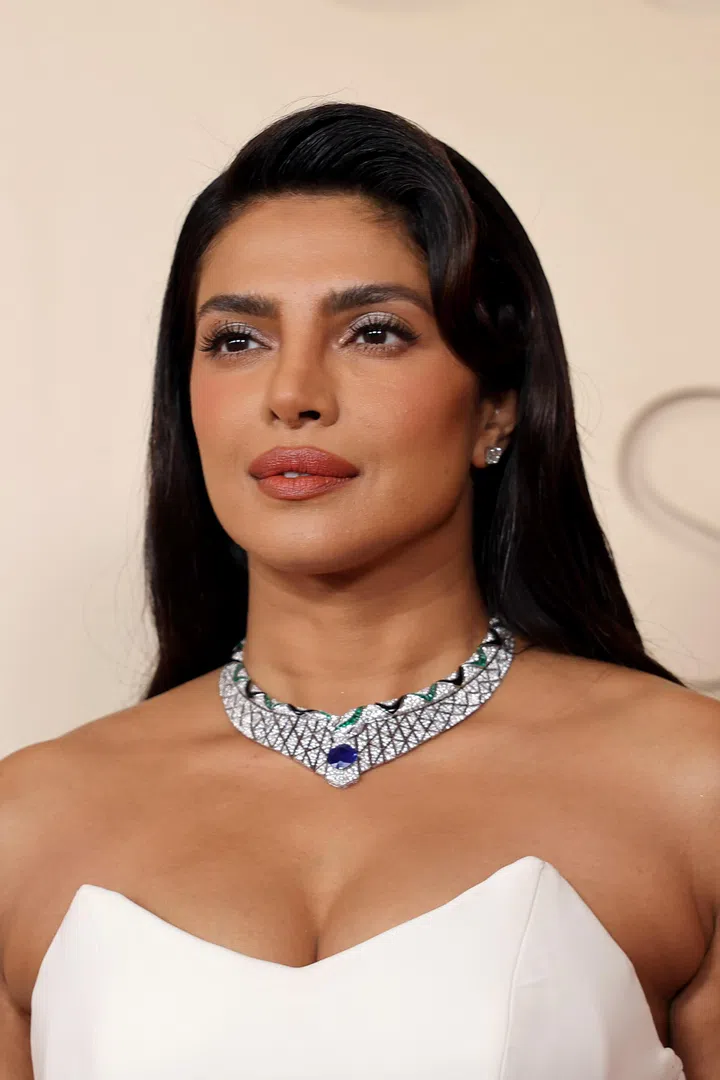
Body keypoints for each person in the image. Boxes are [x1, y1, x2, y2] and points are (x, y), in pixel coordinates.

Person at [0, 102, 718, 1079]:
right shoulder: (27, 822)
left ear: (496, 407)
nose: (293, 391)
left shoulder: (688, 788)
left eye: (373, 332)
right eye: (237, 341)